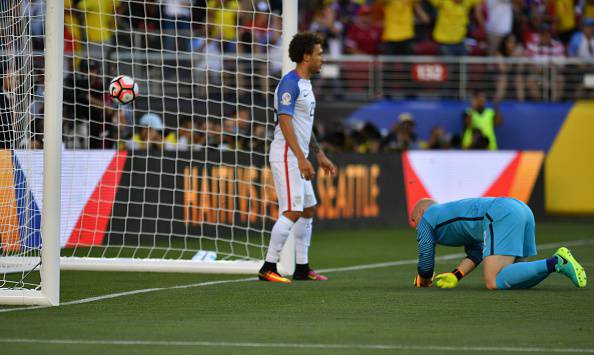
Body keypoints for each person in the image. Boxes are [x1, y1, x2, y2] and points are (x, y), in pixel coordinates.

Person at [258, 32, 337, 283]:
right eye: (319, 54)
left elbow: (305, 124)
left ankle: (302, 268)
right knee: (292, 209)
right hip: (286, 155)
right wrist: (301, 158)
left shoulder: (305, 84)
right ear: (306, 57)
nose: (322, 58)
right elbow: (285, 121)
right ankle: (268, 267)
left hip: (299, 155)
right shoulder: (289, 84)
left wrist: (318, 154)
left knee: (308, 209)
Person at [410, 197, 587, 290]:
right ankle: (554, 264)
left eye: (414, 220)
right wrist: (456, 275)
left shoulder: (428, 217)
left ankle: (557, 262)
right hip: (520, 209)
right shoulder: (451, 219)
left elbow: (425, 253)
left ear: (422, 211)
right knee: (515, 281)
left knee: (493, 280)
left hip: (500, 212)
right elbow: (476, 252)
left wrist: (424, 278)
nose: (415, 226)